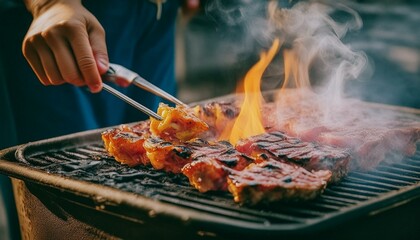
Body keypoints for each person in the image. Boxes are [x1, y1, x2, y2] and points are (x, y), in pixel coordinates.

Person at [0, 0, 200, 239]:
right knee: (69, 203)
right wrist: (48, 5)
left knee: (167, 171)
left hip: (156, 12)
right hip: (65, 22)